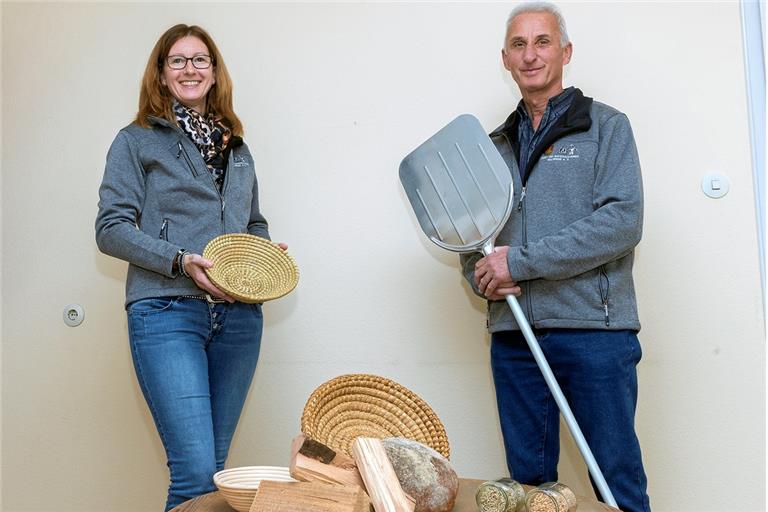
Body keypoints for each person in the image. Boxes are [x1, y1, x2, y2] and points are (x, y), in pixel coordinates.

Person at [460, 3, 651, 511]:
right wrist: (482, 276)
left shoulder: (607, 127)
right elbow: (470, 235)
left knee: (615, 480)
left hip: (593, 332)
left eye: (542, 42)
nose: (530, 55)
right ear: (504, 58)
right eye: (518, 45)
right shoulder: (492, 146)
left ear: (565, 52)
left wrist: (517, 263)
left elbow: (621, 223)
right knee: (527, 491)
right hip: (515, 333)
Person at [95, 24, 286, 511]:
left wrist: (264, 258)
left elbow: (253, 224)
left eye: (200, 59)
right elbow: (110, 227)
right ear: (160, 75)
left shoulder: (236, 148)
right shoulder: (136, 140)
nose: (190, 69)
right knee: (195, 472)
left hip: (239, 320)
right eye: (177, 61)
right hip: (165, 312)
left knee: (217, 476)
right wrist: (179, 260)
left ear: (215, 72)